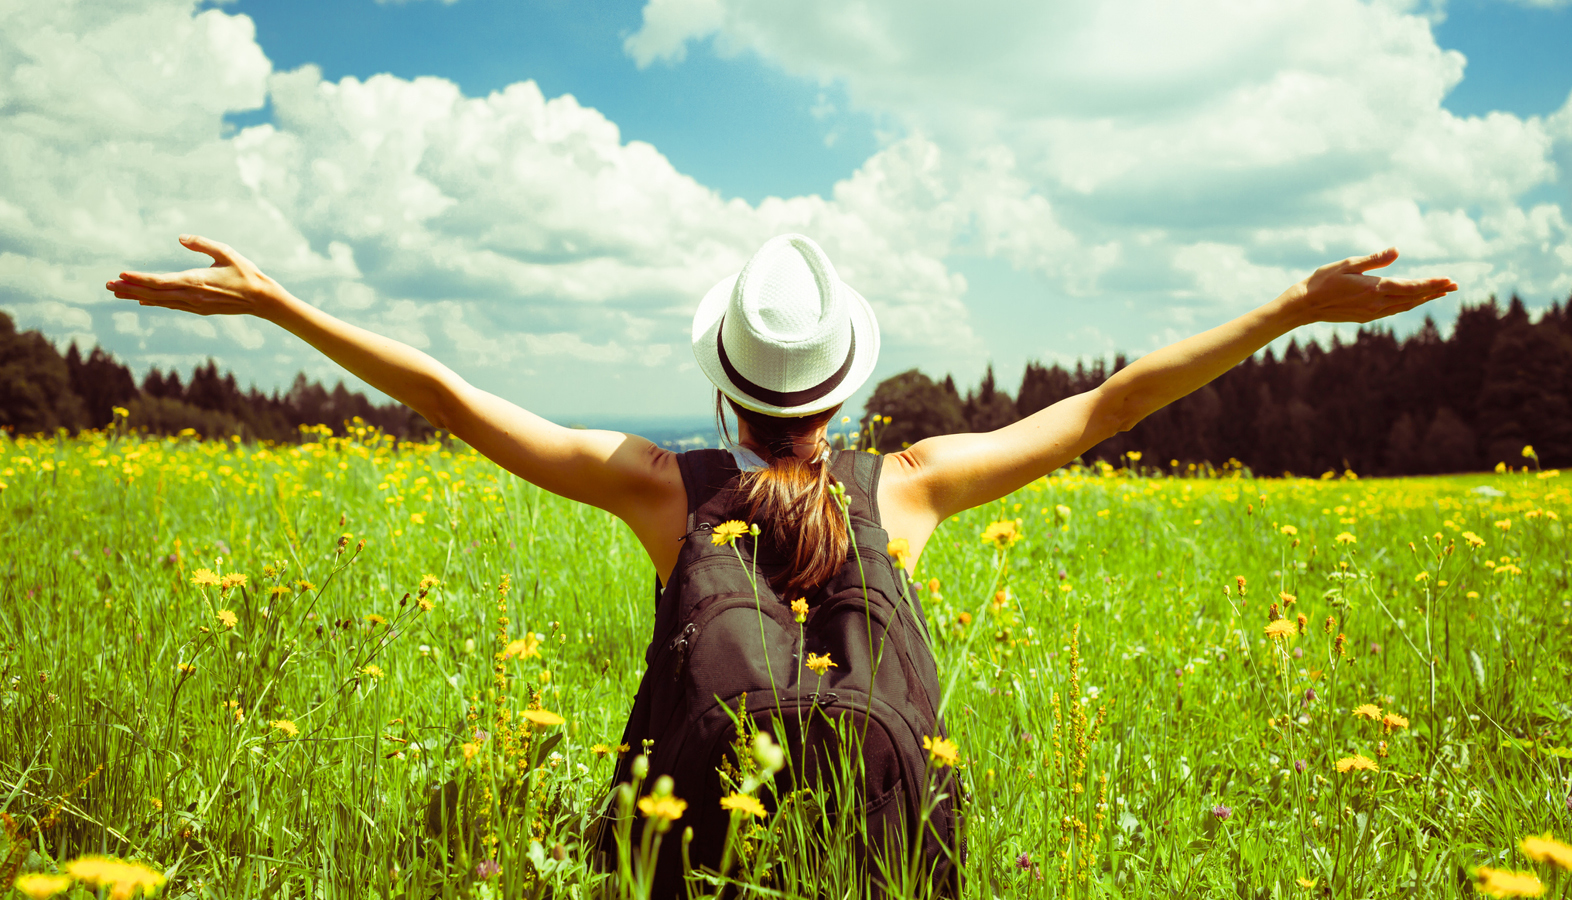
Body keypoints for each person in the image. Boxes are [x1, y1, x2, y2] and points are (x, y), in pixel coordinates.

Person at [107, 232, 1454, 885]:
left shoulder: (661, 489)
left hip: (689, 848)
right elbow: (1108, 407)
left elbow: (453, 397)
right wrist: (1289, 308)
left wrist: (283, 301)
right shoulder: (910, 486)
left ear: (728, 388)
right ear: (848, 391)